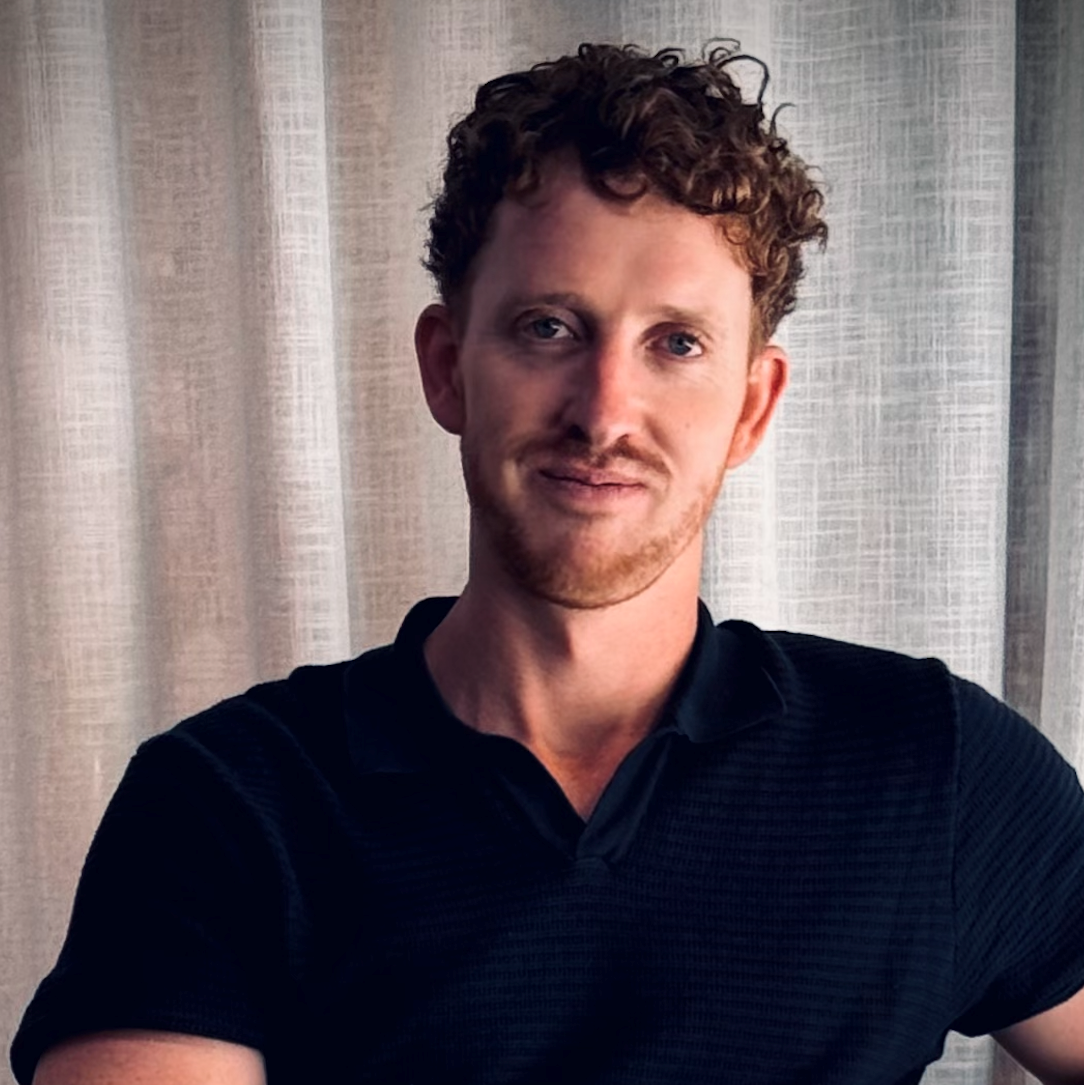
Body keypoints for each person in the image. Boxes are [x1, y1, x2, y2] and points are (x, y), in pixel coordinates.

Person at [11, 42, 1084, 1085]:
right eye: (548, 327)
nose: (604, 412)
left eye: (677, 343)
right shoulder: (227, 803)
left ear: (751, 407)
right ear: (447, 367)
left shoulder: (935, 767)